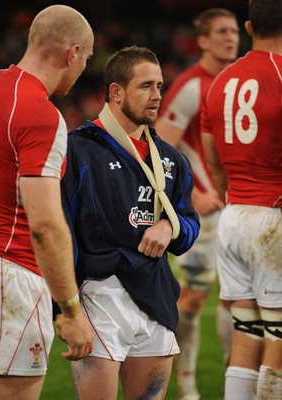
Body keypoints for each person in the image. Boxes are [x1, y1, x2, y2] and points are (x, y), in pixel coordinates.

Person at [58, 45, 200, 400]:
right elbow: (59, 230)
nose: (157, 97)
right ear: (116, 92)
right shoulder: (77, 150)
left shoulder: (171, 159)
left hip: (156, 298)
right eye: (146, 86)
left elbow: (189, 223)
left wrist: (171, 227)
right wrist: (64, 308)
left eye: (160, 86)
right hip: (98, 297)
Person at [0, 5, 94, 400]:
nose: (83, 68)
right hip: (7, 277)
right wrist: (70, 311)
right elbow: (45, 226)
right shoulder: (41, 115)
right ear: (72, 53)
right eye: (86, 58)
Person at [155, 8, 240, 400]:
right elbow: (160, 145)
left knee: (238, 298)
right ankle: (187, 386)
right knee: (192, 298)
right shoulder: (191, 85)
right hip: (204, 212)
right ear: (202, 41)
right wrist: (192, 195)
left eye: (235, 30)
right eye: (221, 31)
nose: (231, 37)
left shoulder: (240, 81)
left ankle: (234, 379)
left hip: (237, 206)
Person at [201, 0, 282, 398]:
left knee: (247, 333)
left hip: (234, 216)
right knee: (279, 342)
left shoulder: (221, 82)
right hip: (274, 217)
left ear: (249, 27)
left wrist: (229, 196)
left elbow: (212, 159)